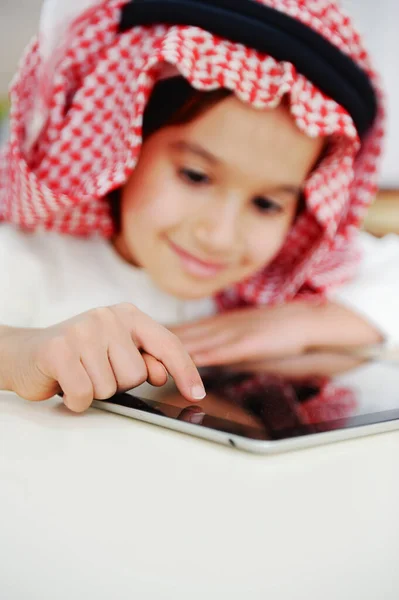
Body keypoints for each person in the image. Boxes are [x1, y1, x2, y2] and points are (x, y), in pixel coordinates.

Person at [0, 0, 398, 413]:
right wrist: (19, 351)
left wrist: (299, 323)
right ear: (123, 143)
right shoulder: (26, 260)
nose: (220, 237)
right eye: (195, 176)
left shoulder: (278, 284)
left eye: (266, 203)